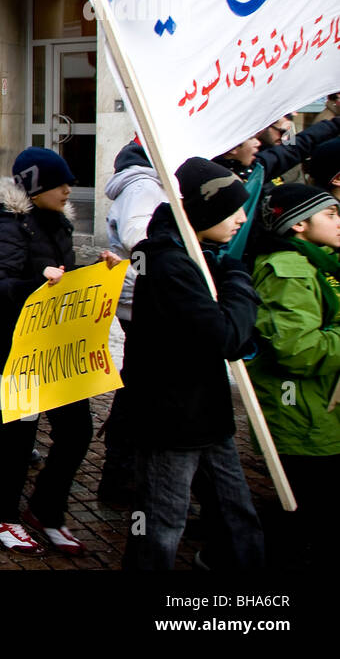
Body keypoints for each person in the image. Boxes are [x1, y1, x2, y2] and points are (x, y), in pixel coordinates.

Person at [124, 157, 263, 570]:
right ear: (202, 211)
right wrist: (239, 282)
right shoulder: (170, 263)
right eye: (231, 208)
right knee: (162, 523)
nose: (241, 218)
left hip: (205, 413)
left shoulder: (198, 255)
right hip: (174, 419)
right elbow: (224, 337)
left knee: (236, 513)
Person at [0, 147, 117, 555]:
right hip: (14, 344)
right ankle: (0, 515)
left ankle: (46, 510)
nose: (69, 190)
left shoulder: (58, 224)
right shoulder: (10, 226)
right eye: (60, 183)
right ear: (37, 186)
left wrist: (94, 275)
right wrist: (36, 283)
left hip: (56, 344)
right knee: (19, 434)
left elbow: (63, 277)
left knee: (77, 431)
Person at [249, 184, 340, 569]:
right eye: (331, 215)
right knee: (305, 515)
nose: (339, 222)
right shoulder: (286, 269)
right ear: (299, 224)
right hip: (302, 415)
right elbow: (298, 350)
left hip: (320, 411)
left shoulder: (321, 262)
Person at [98, 140, 167, 505]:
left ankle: (123, 469)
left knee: (138, 384)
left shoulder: (144, 185)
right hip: (142, 301)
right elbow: (138, 240)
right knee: (139, 386)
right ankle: (121, 473)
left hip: (140, 299)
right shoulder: (143, 187)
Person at [213, 113, 340, 260]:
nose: (257, 143)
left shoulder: (258, 168)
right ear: (233, 147)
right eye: (252, 138)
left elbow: (295, 147)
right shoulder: (215, 180)